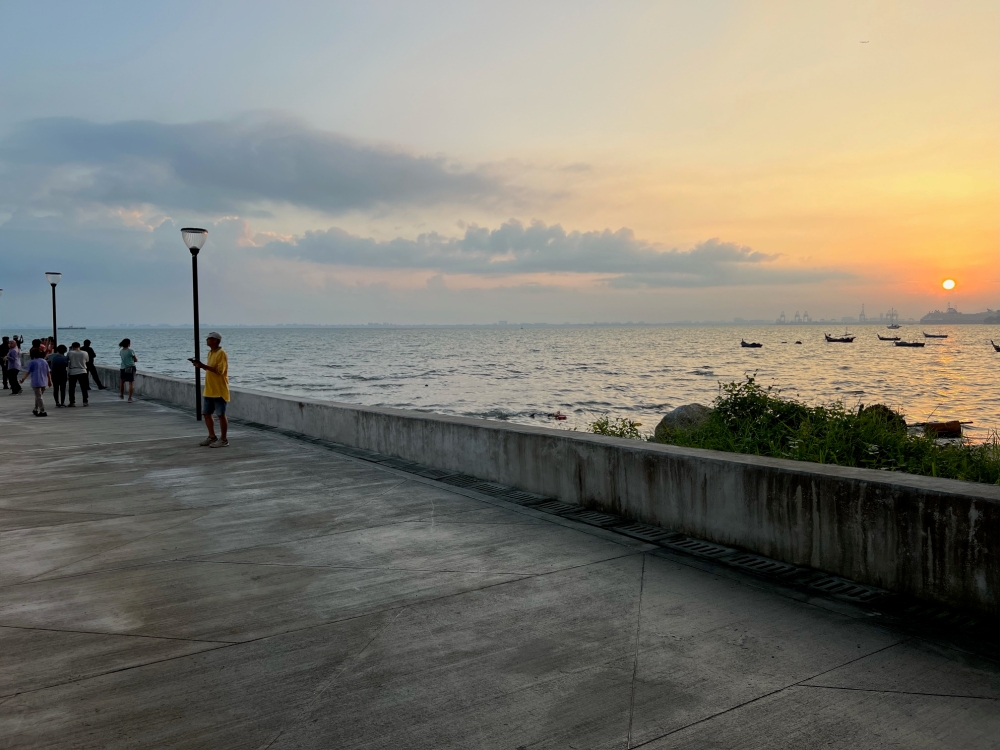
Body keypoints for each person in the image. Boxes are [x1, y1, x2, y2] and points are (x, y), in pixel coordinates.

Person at [192, 331, 229, 447]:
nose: (207, 340)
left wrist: (203, 365)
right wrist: (200, 365)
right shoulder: (210, 353)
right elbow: (210, 369)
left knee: (221, 415)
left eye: (209, 338)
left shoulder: (221, 353)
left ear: (215, 340)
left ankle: (223, 439)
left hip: (219, 390)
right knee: (206, 413)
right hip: (209, 389)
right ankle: (212, 436)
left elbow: (219, 371)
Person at [20, 349, 51, 417]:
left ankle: (42, 411)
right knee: (39, 396)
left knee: (38, 397)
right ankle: (36, 408)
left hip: (36, 381)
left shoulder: (32, 362)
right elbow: (48, 372)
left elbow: (28, 372)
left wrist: (23, 379)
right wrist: (50, 381)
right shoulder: (44, 361)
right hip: (44, 381)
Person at [67, 342, 90, 407]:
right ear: (79, 346)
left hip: (73, 371)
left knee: (71, 388)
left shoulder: (70, 353)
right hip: (82, 371)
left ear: (72, 346)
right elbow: (87, 360)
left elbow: (67, 360)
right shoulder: (85, 353)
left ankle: (72, 402)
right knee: (84, 388)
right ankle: (85, 401)